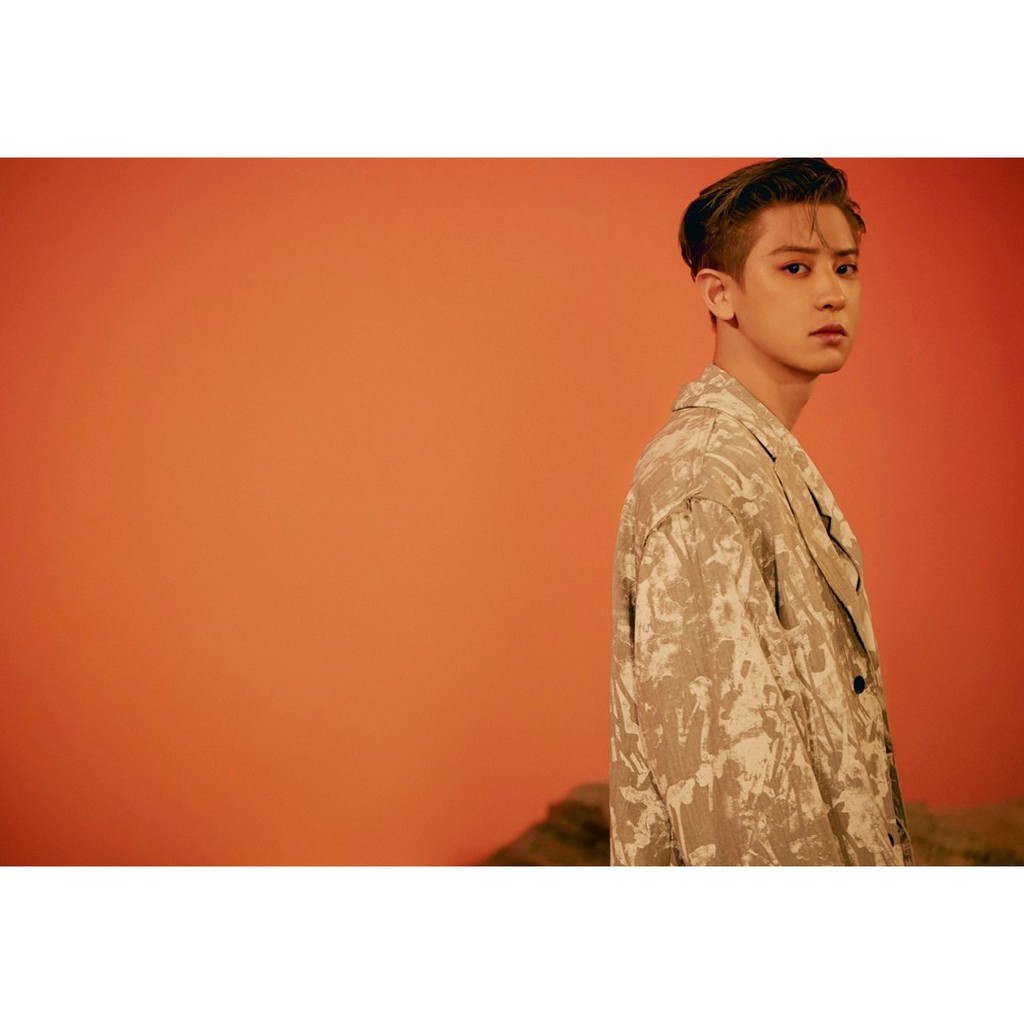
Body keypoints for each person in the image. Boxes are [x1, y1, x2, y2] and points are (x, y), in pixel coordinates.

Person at [609, 158, 913, 866]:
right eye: (795, 268)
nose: (833, 294)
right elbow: (741, 805)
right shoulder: (705, 480)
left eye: (845, 267)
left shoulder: (758, 460)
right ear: (721, 294)